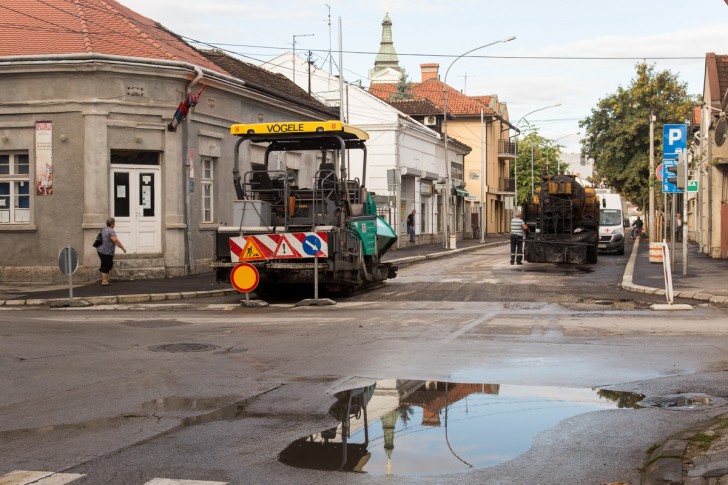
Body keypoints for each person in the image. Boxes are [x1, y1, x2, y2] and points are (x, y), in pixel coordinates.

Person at [97, 217, 126, 286]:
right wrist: (122, 248)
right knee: (105, 265)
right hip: (106, 252)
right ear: (112, 224)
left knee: (106, 264)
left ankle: (106, 279)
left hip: (100, 250)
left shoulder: (103, 229)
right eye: (114, 223)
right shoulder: (111, 231)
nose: (114, 225)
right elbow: (115, 241)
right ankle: (104, 281)